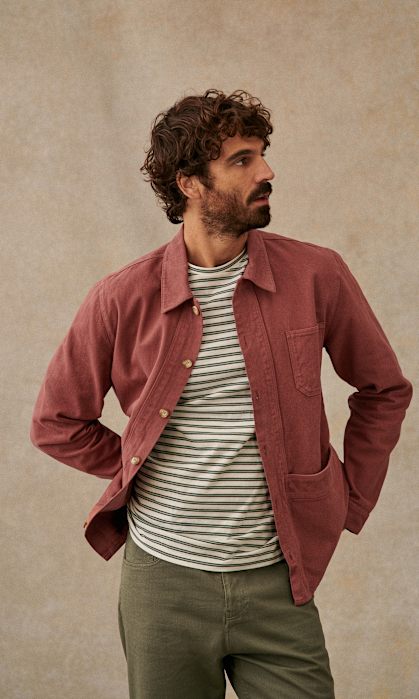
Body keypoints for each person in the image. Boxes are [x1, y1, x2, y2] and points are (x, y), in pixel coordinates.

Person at [30, 88, 413, 699]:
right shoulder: (121, 297)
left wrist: (350, 496)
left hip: (278, 580)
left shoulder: (316, 274)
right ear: (188, 183)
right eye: (242, 160)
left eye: (262, 154)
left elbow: (384, 388)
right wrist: (137, 462)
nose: (267, 171)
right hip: (163, 585)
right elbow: (56, 421)